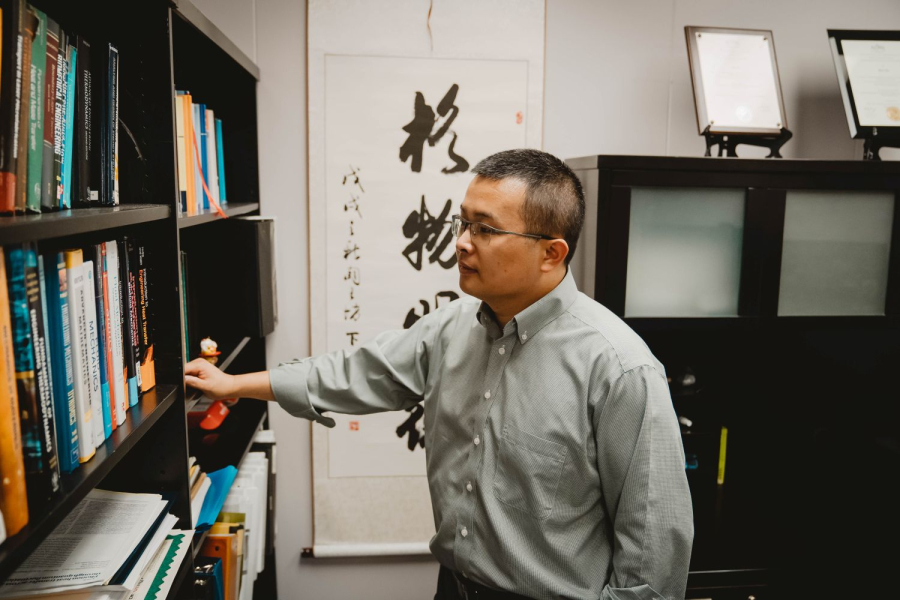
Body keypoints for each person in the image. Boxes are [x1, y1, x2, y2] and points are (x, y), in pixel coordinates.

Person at [186, 149, 693, 600]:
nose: (461, 243)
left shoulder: (620, 368)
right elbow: (357, 372)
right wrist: (235, 386)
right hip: (451, 586)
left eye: (486, 229)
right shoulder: (452, 327)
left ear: (551, 253)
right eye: (462, 222)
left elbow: (653, 552)